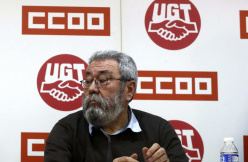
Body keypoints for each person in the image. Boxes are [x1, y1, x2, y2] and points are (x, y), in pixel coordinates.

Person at [44, 50, 188, 162]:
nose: (92, 88)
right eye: (88, 80)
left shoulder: (159, 130)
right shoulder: (67, 130)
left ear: (129, 90)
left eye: (103, 80)